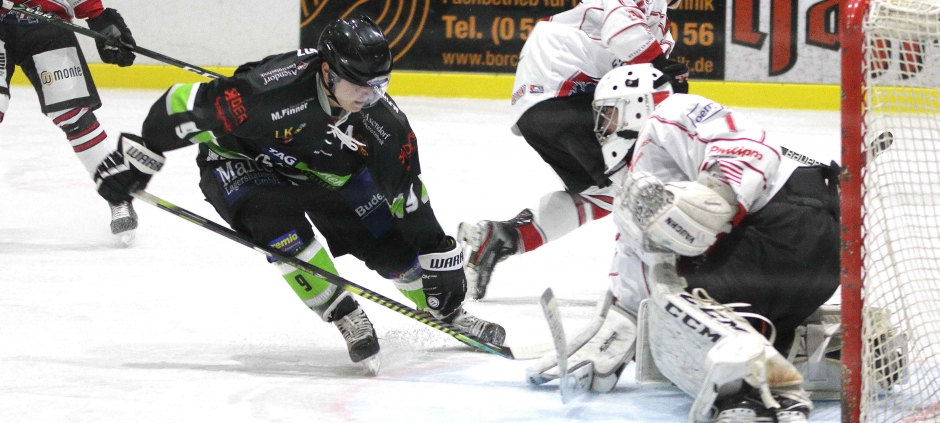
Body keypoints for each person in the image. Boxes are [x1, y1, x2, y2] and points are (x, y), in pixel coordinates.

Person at [90, 17, 505, 371]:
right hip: (240, 161)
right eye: (359, 84)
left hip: (320, 171)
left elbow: (407, 194)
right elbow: (180, 103)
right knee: (276, 223)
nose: (369, 96)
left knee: (387, 244)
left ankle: (448, 314)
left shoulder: (384, 123)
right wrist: (139, 159)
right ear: (328, 71)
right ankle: (343, 313)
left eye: (379, 85)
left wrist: (439, 256)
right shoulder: (270, 92)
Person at [526, 64, 840, 422]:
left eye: (609, 115)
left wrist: (718, 193)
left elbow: (748, 145)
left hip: (789, 227)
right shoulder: (641, 180)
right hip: (807, 257)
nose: (603, 129)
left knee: (675, 312)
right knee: (690, 306)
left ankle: (755, 392)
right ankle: (818, 352)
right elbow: (640, 255)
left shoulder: (668, 114)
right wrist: (615, 331)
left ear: (639, 102)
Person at [456, 0, 691, 300]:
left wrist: (668, 83)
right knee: (641, 184)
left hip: (552, 106)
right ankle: (669, 279)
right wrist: (661, 69)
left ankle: (504, 237)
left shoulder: (661, 30)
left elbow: (645, 84)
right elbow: (621, 30)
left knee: (606, 193)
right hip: (561, 92)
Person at [0, 0, 139, 240]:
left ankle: (118, 194)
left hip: (47, 27)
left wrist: (105, 25)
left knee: (74, 114)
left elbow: (86, 5)